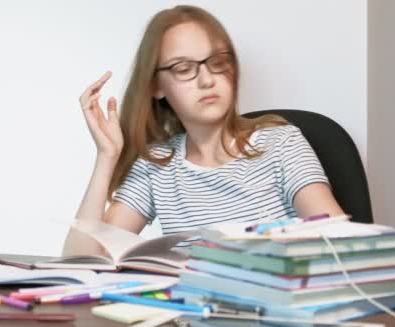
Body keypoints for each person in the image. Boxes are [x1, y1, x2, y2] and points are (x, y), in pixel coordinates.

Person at [62, 5, 344, 256]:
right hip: (192, 313)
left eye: (218, 62)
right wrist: (106, 156)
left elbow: (341, 246)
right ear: (155, 86)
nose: (207, 80)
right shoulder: (157, 164)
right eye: (184, 68)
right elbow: (84, 261)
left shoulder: (282, 144)